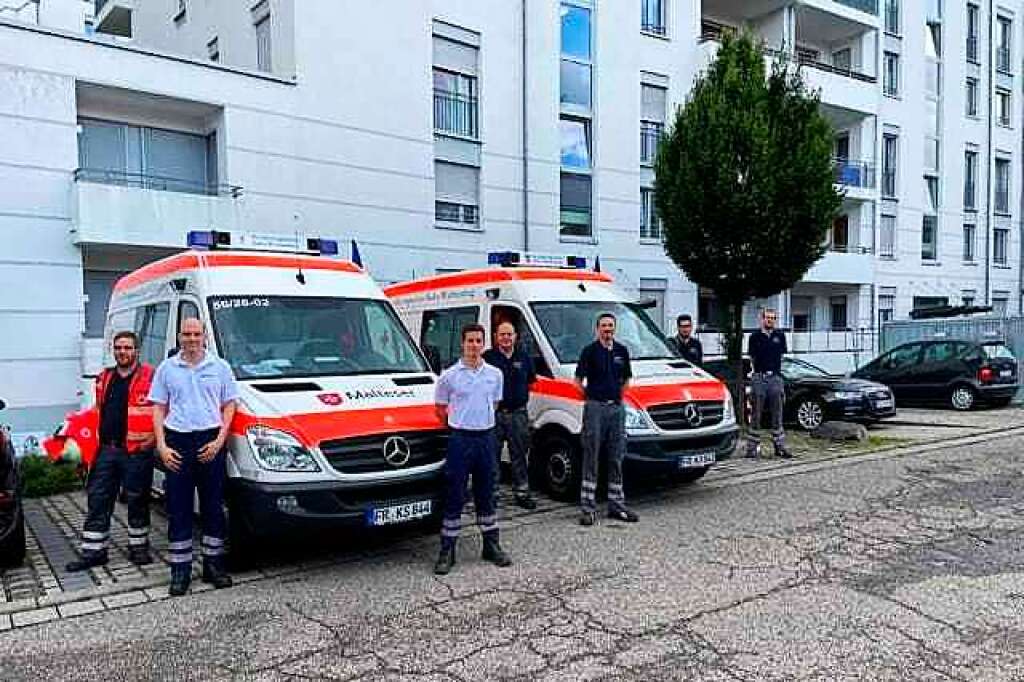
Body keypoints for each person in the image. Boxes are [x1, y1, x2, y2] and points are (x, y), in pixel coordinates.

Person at [149, 317, 239, 596]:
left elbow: (229, 405)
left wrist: (219, 441)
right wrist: (162, 446)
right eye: (186, 334)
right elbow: (158, 409)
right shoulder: (167, 369)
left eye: (196, 334)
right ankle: (180, 571)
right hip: (177, 441)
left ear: (204, 337)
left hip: (210, 440)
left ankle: (214, 566)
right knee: (179, 508)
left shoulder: (220, 367)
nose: (191, 339)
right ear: (179, 337)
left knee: (213, 506)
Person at [66, 331, 155, 572]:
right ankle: (94, 552)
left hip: (136, 450)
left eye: (127, 348)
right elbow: (96, 411)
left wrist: (154, 439)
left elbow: (163, 410)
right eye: (118, 348)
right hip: (106, 449)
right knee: (98, 498)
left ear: (137, 351)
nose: (122, 352)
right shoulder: (104, 377)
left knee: (137, 499)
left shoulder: (151, 376)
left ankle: (138, 547)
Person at [433, 323, 512, 575]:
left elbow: (496, 403)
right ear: (462, 344)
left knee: (487, 491)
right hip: (460, 439)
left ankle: (491, 545)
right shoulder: (449, 376)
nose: (474, 346)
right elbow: (440, 409)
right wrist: (460, 426)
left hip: (486, 438)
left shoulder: (495, 374)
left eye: (479, 341)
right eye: (470, 341)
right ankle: (448, 550)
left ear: (484, 343)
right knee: (455, 492)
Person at [575, 313, 638, 526]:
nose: (607, 329)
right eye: (603, 326)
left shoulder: (622, 351)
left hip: (616, 409)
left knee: (616, 456)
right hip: (595, 408)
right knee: (591, 455)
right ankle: (587, 507)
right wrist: (591, 396)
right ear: (597, 329)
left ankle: (616, 505)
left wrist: (618, 397)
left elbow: (627, 378)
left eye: (611, 326)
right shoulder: (589, 352)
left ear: (615, 328)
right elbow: (577, 380)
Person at [483, 320, 537, 511]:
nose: (506, 338)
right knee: (492, 456)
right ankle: (492, 494)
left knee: (520, 456)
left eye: (509, 334)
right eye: (502, 334)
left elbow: (531, 382)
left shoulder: (524, 357)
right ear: (496, 337)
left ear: (516, 336)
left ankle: (522, 493)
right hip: (495, 415)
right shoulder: (487, 358)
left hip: (518, 414)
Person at [746, 308, 792, 459]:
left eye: (773, 318)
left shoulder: (780, 336)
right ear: (762, 319)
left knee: (777, 412)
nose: (770, 320)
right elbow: (752, 358)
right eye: (767, 318)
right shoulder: (755, 337)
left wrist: (777, 375)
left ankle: (779, 446)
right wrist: (757, 374)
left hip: (775, 377)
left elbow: (782, 357)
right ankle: (752, 447)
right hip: (759, 377)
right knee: (756, 412)